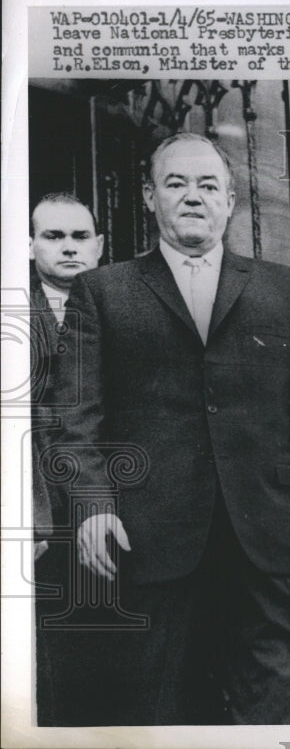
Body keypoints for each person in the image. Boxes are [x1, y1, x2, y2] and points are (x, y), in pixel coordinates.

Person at [53, 132, 290, 725]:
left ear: (230, 200)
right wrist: (91, 505)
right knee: (157, 715)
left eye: (208, 185)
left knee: (273, 714)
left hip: (266, 546)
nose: (192, 196)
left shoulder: (282, 288)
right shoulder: (103, 293)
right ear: (150, 197)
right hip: (148, 547)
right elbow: (75, 416)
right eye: (176, 183)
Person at [29, 193, 104, 725]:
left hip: (107, 504)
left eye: (80, 237)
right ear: (29, 245)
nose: (69, 248)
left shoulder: (123, 305)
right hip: (39, 513)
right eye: (54, 237)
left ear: (99, 246)